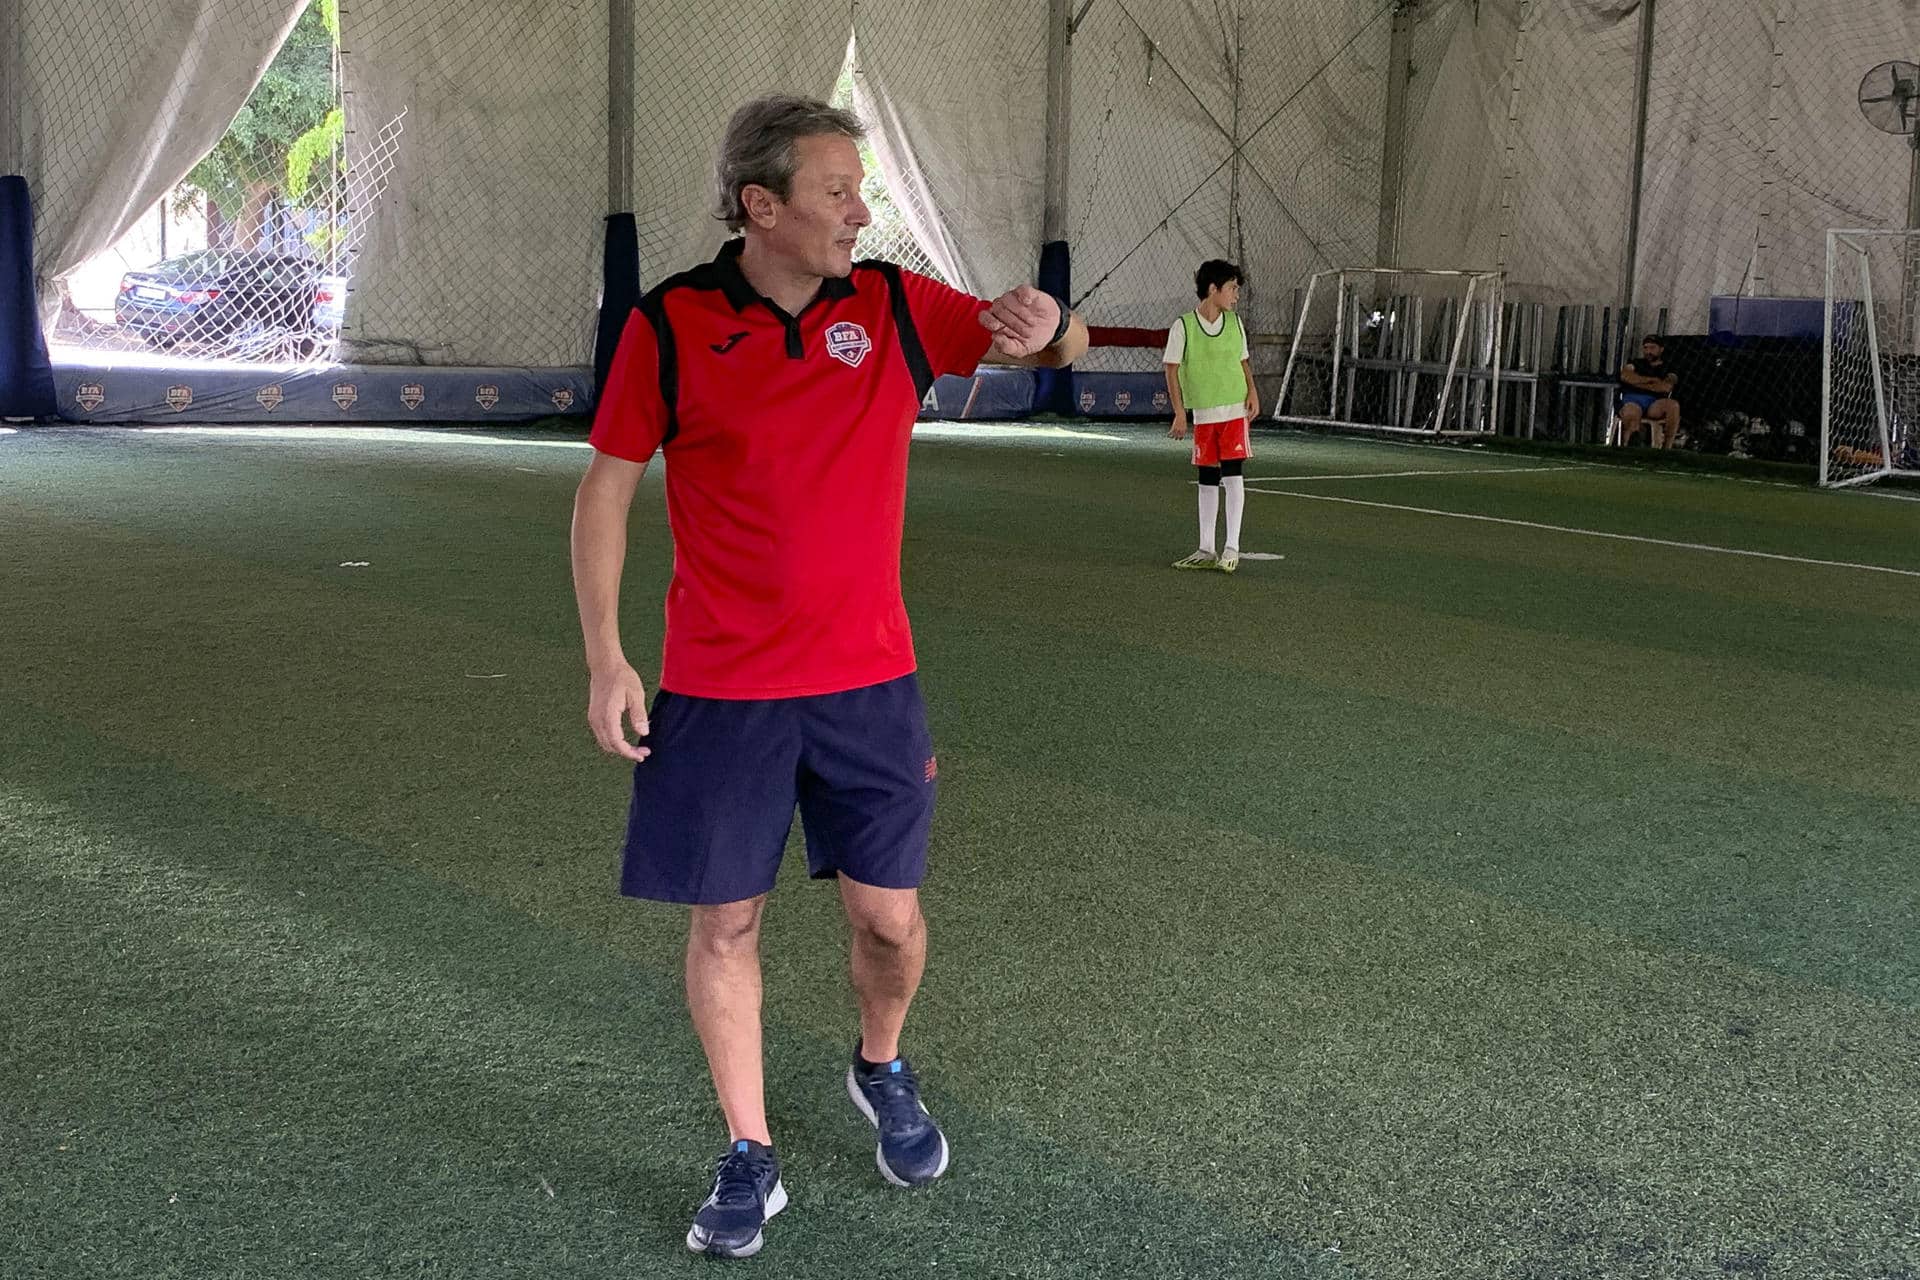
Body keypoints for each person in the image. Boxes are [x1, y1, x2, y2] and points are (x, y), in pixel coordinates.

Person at [570, 95, 1087, 1261]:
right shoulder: (671, 324)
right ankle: (750, 1151)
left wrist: (1054, 324)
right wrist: (607, 655)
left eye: (862, 189)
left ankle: (880, 1063)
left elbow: (1044, 347)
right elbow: (606, 485)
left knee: (889, 921)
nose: (862, 210)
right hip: (721, 685)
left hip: (869, 681)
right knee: (727, 921)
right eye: (838, 191)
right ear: (764, 205)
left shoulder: (896, 306)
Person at [1164, 260, 1259, 572]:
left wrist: (1253, 392)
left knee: (1233, 474)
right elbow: (1172, 370)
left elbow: (1243, 361)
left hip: (1233, 410)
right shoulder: (1184, 326)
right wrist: (1180, 412)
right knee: (1207, 478)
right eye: (1232, 288)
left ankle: (1232, 546)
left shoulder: (1235, 324)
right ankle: (1206, 547)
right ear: (1213, 289)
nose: (1236, 296)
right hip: (1204, 414)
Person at [1618, 334, 1680, 449]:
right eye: (1645, 348)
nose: (1648, 351)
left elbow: (1666, 387)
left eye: (1652, 348)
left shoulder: (1669, 367)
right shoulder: (1636, 363)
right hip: (1633, 398)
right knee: (1631, 413)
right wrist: (1651, 380)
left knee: (1673, 406)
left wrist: (1638, 383)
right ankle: (1629, 445)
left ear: (1661, 349)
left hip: (1655, 402)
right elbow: (1625, 376)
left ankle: (1667, 448)